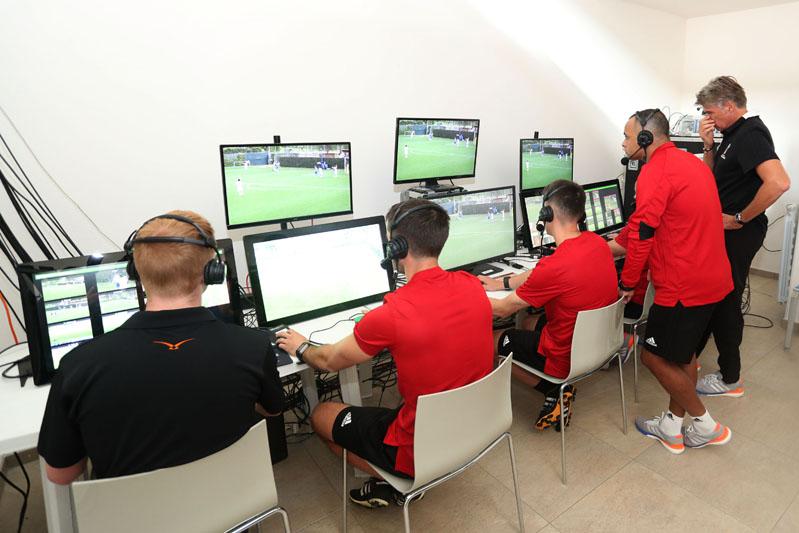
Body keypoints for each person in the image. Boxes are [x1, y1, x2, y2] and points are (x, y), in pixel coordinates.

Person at [38, 210, 284, 484]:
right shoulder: (253, 346)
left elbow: (60, 474)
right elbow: (272, 410)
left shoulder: (77, 366)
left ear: (136, 273)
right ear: (212, 272)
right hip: (235, 508)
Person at [276, 199, 493, 508]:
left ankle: (397, 483)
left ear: (397, 247)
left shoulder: (392, 314)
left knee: (321, 414)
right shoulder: (472, 286)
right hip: (477, 425)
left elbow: (327, 362)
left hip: (419, 449)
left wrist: (299, 345)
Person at [620, 109, 733, 454]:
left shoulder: (655, 172)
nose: (623, 143)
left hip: (682, 284)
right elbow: (658, 220)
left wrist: (627, 283)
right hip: (713, 278)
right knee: (684, 357)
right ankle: (672, 426)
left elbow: (643, 233)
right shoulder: (693, 163)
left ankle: (705, 424)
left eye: (627, 136)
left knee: (652, 356)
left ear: (645, 139)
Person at [480, 180, 617, 430]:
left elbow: (502, 310)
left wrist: (459, 296)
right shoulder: (597, 244)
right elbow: (539, 275)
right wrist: (501, 283)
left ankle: (553, 389)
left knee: (490, 340)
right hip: (597, 343)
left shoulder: (555, 266)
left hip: (568, 355)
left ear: (547, 214)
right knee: (530, 321)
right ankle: (554, 386)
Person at [694, 76, 791, 397]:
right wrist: (708, 145)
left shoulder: (750, 134)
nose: (708, 118)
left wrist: (740, 217)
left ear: (730, 106)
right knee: (715, 296)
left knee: (726, 302)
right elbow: (712, 180)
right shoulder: (731, 133)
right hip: (723, 230)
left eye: (710, 112)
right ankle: (692, 355)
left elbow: (778, 182)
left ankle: (730, 377)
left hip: (739, 233)